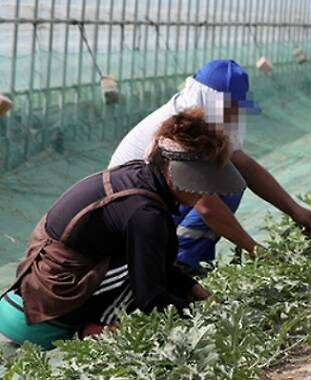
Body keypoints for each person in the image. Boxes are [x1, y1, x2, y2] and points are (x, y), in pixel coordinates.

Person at [0, 108, 238, 350]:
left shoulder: (139, 176)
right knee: (141, 272)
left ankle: (89, 323)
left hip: (30, 296)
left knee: (150, 258)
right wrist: (204, 317)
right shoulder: (145, 213)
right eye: (200, 178)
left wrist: (196, 291)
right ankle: (96, 330)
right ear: (170, 169)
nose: (207, 189)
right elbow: (150, 298)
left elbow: (161, 267)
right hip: (39, 317)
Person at [109, 59, 311, 271]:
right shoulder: (180, 129)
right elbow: (207, 206)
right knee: (220, 191)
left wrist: (296, 211)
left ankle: (190, 261)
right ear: (211, 100)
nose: (232, 115)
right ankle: (177, 264)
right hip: (131, 214)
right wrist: (257, 252)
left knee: (231, 183)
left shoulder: (205, 118)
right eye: (228, 108)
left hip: (156, 202)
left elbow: (246, 167)